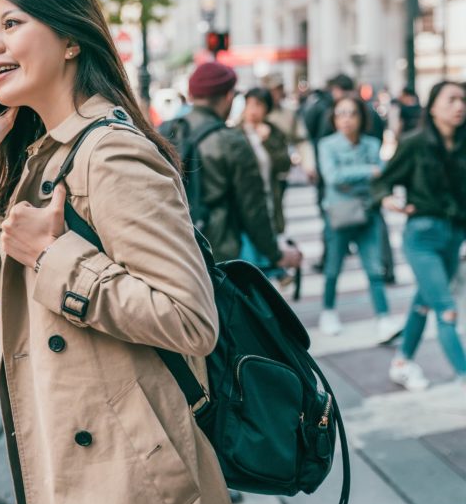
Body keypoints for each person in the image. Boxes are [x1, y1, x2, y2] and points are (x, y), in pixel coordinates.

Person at [0, 0, 235, 504]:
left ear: (71, 39)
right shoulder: (40, 160)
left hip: (138, 489)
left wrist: (51, 257)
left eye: (12, 23)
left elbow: (191, 319)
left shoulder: (111, 153)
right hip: (72, 474)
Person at [374, 81, 466, 390]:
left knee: (423, 302)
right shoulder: (415, 142)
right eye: (451, 99)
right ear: (434, 106)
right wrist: (388, 199)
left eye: (463, 100)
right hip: (422, 237)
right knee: (445, 308)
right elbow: (384, 181)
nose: (459, 106)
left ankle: (401, 362)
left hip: (454, 237)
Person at [174, 63, 302, 269]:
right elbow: (253, 206)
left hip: (176, 247)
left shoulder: (168, 130)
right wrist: (275, 254)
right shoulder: (231, 141)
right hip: (220, 249)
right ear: (228, 96)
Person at [316, 96, 400, 339]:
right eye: (341, 113)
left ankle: (383, 317)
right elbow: (332, 178)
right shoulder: (327, 145)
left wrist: (352, 178)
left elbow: (381, 174)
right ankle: (328, 311)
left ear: (361, 118)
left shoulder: (372, 144)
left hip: (368, 213)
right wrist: (367, 172)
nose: (346, 119)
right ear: (334, 118)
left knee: (375, 269)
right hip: (340, 215)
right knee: (333, 268)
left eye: (352, 113)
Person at [242, 87, 291, 238]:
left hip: (269, 196)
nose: (253, 110)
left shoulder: (273, 132)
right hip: (245, 201)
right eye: (249, 104)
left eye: (259, 105)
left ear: (267, 109)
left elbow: (284, 164)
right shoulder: (235, 133)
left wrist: (268, 141)